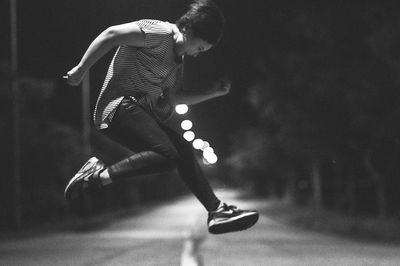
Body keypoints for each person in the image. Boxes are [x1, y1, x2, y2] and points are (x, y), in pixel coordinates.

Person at [63, 0, 258, 234]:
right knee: (168, 155)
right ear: (187, 30)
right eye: (199, 48)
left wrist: (212, 92)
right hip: (115, 108)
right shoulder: (157, 32)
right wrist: (81, 69)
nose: (196, 55)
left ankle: (216, 211)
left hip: (134, 111)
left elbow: (175, 98)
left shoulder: (177, 63)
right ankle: (96, 177)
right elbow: (112, 34)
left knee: (182, 152)